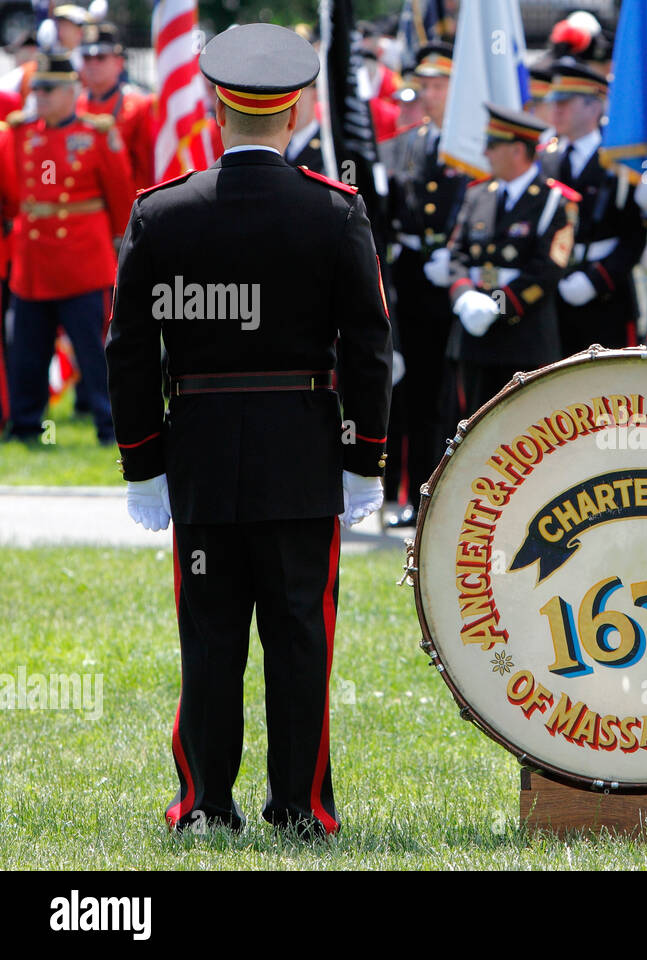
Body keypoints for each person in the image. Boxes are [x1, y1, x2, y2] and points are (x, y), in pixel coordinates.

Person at [105, 23, 392, 837]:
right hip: (302, 454)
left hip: (198, 454)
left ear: (212, 105)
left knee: (211, 634)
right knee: (301, 638)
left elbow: (129, 348)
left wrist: (143, 465)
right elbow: (370, 345)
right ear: (296, 111)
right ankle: (301, 806)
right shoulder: (334, 213)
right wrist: (366, 457)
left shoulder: (162, 213)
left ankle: (203, 804)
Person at [0, 48, 133, 447]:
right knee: (27, 353)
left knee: (94, 354)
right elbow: (11, 197)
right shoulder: (20, 133)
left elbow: (122, 198)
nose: (39, 95)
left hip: (82, 262)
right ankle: (28, 428)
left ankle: (110, 428)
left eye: (48, 89)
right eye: (36, 89)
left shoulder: (95, 134)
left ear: (71, 90)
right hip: (33, 263)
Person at [443, 104, 578, 414]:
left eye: (493, 145)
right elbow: (458, 254)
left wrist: (498, 305)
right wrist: (464, 297)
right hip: (473, 338)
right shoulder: (478, 194)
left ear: (518, 149)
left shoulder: (554, 202)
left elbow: (547, 270)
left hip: (524, 339)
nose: (485, 153)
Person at [382, 41, 467, 529]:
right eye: (424, 87)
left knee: (451, 395)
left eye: (438, 86)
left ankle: (450, 496)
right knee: (414, 394)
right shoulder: (405, 145)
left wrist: (453, 255)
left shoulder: (472, 149)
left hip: (458, 279)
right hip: (415, 277)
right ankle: (417, 494)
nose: (428, 95)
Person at [538, 61, 646, 353]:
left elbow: (635, 237)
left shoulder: (617, 163)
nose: (556, 110)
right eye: (554, 102)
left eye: (566, 103)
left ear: (594, 107)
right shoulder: (546, 160)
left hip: (605, 297)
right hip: (552, 294)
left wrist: (596, 280)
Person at [76, 21, 155, 192]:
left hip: (126, 202)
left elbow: (145, 168)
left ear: (118, 63)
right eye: (87, 58)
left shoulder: (139, 106)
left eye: (101, 57)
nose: (93, 64)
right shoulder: (73, 106)